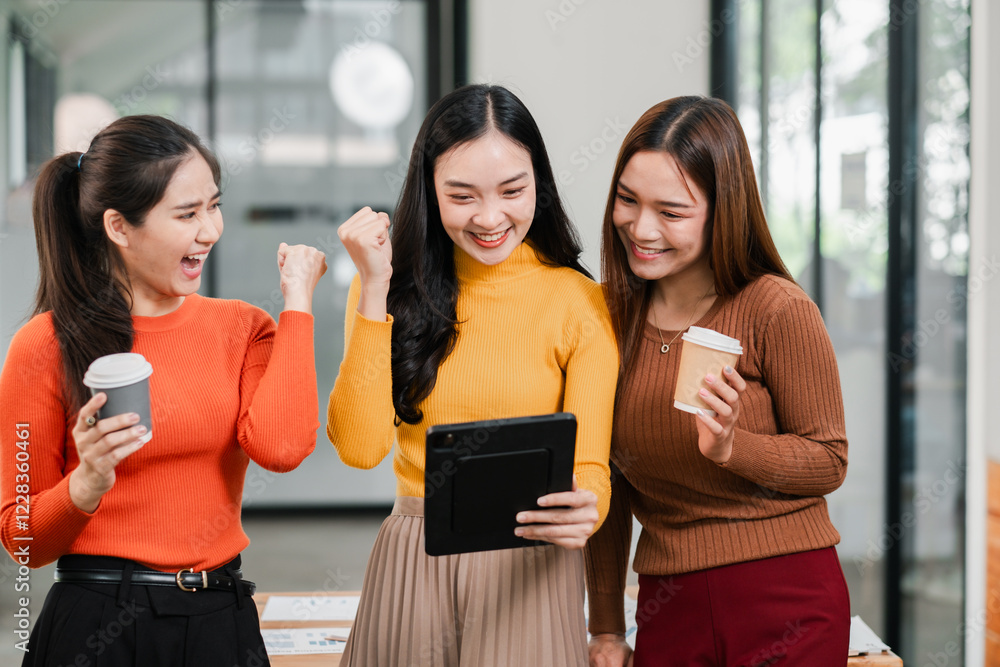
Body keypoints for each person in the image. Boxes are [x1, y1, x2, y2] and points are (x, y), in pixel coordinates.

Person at [0, 115, 327, 666]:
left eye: (213, 206)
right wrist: (86, 483)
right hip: (95, 625)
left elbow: (283, 448)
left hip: (218, 622)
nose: (210, 230)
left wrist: (297, 304)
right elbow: (22, 538)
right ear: (119, 227)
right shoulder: (45, 345)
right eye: (187, 214)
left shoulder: (242, 328)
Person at [327, 83, 618, 666]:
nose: (490, 218)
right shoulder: (384, 289)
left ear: (540, 183)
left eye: (513, 191)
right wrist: (376, 287)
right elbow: (360, 449)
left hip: (532, 559)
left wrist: (590, 504)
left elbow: (588, 464)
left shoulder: (579, 302)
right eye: (461, 196)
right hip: (415, 554)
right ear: (429, 192)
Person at [584, 96, 850, 667]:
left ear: (722, 211)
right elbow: (603, 481)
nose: (641, 227)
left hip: (787, 599)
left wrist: (734, 448)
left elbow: (829, 459)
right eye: (627, 200)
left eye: (671, 212)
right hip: (669, 605)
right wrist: (605, 626)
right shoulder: (607, 320)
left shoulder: (776, 309)